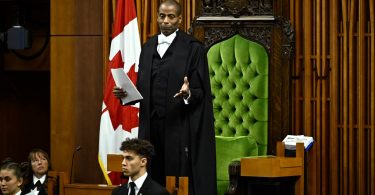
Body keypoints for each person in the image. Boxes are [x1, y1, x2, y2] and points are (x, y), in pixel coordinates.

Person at [113, 0, 216, 194]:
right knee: (151, 173)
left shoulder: (193, 48)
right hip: (150, 127)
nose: (166, 21)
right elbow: (144, 90)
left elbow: (202, 92)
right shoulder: (148, 47)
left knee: (175, 178)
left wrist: (188, 93)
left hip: (178, 127)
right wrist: (126, 94)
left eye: (171, 17)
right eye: (162, 16)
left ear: (179, 19)